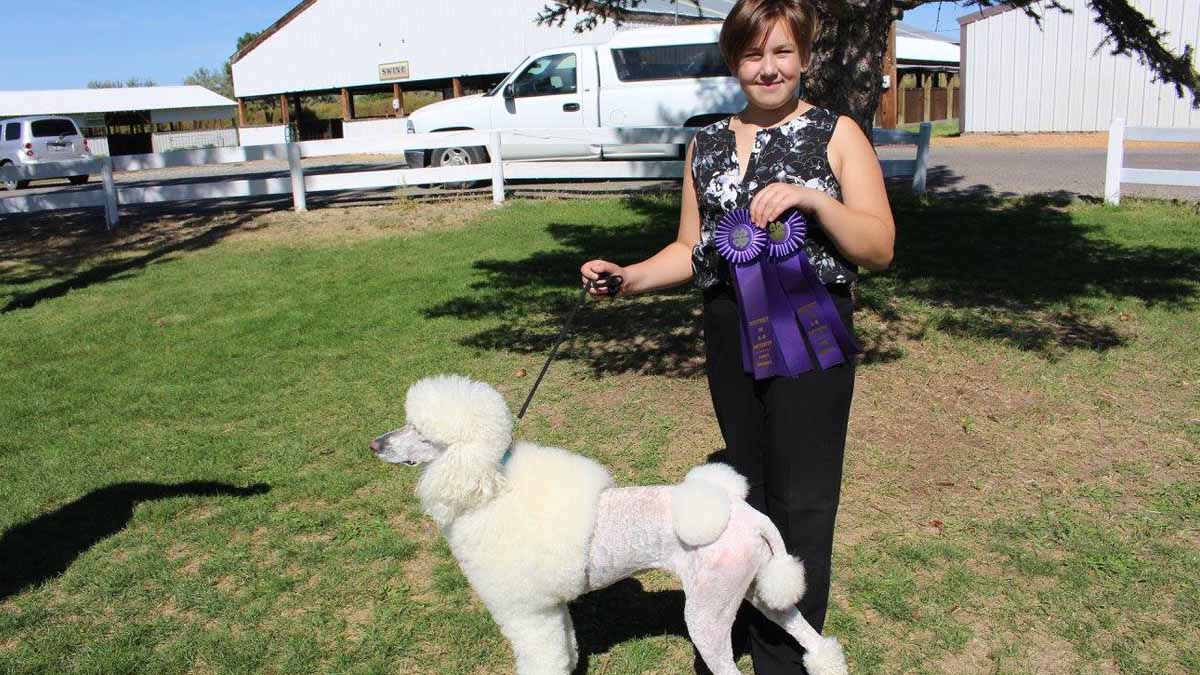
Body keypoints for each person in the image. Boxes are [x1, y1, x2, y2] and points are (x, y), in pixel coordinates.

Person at [579, 0, 894, 672]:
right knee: (744, 496)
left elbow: (880, 245)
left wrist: (815, 200)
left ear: (805, 57)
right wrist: (627, 277)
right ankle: (735, 625)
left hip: (810, 328)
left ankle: (785, 656)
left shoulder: (836, 134)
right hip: (730, 331)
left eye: (783, 52)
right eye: (754, 54)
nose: (769, 67)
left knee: (802, 499)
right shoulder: (707, 143)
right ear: (734, 61)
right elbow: (692, 248)